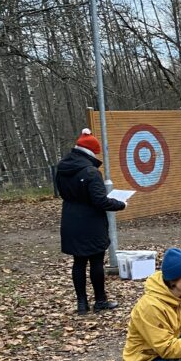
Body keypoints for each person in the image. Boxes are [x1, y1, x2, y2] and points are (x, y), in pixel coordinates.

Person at [55, 128, 127, 314]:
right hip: (91, 221)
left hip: (70, 218)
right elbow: (100, 201)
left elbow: (63, 193)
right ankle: (100, 300)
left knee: (78, 262)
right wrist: (121, 204)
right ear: (91, 152)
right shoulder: (91, 172)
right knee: (96, 261)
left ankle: (81, 304)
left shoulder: (62, 168)